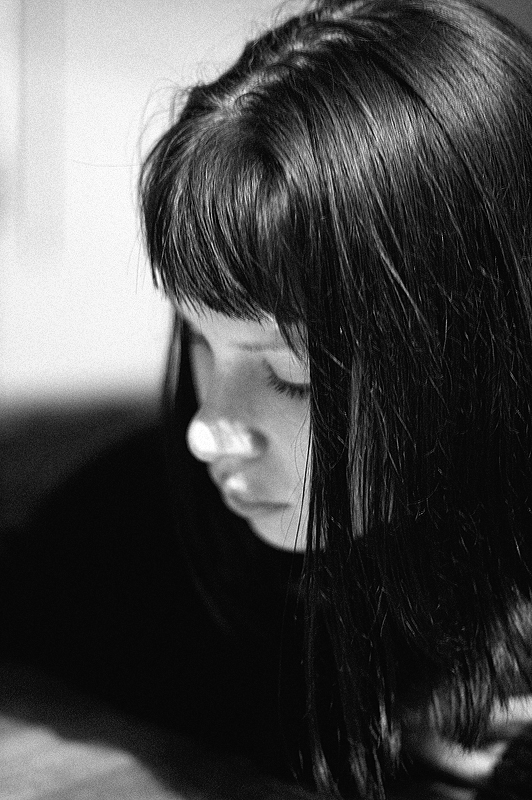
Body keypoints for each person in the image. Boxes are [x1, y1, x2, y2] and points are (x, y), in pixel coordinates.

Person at [2, 0, 532, 798]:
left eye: (293, 375)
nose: (207, 430)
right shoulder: (122, 537)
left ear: (480, 358)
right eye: (196, 339)